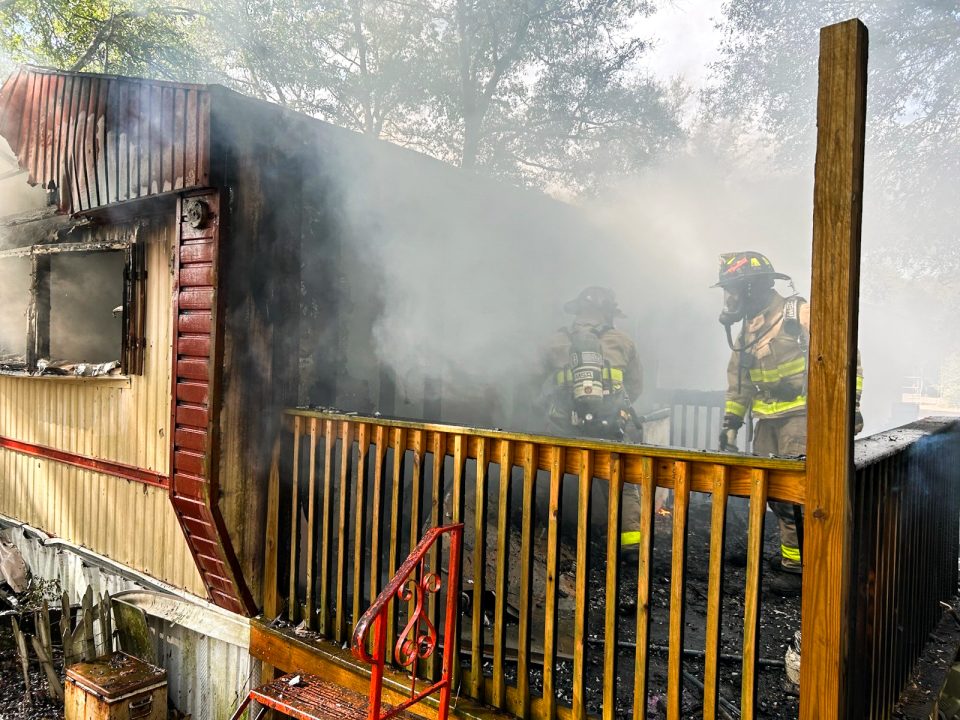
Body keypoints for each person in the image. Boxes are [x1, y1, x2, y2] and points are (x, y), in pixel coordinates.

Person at [712, 251, 863, 595]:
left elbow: (846, 353)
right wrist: (731, 422)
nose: (729, 298)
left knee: (800, 495)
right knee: (777, 496)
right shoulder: (749, 330)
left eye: (734, 290)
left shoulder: (799, 314)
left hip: (801, 416)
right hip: (767, 421)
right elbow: (739, 382)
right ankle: (794, 562)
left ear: (752, 287)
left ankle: (807, 572)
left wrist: (851, 405)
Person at [540, 286, 645, 557]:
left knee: (552, 475)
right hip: (610, 426)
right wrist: (612, 408)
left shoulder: (555, 342)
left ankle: (546, 534)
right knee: (622, 482)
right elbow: (635, 387)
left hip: (565, 426)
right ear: (608, 314)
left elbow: (536, 380)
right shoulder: (623, 341)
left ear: (577, 312)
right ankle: (631, 544)